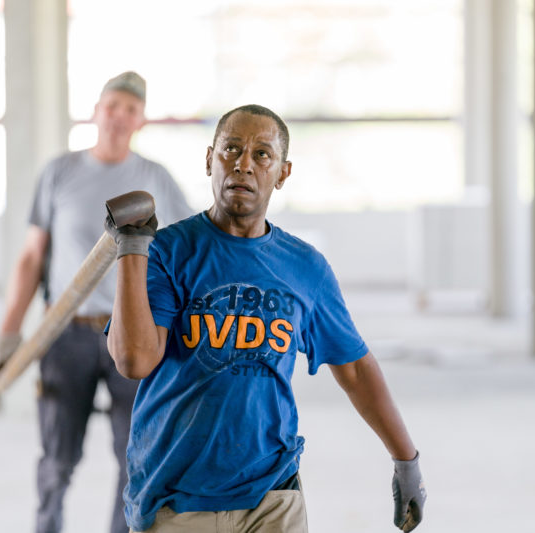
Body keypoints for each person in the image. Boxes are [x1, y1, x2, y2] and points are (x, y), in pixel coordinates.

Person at [105, 104, 427, 532]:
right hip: (177, 497)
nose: (243, 164)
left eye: (262, 154)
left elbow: (354, 367)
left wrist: (407, 461)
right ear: (209, 160)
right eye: (231, 149)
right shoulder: (167, 251)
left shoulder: (305, 267)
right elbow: (134, 361)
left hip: (272, 493)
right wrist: (132, 249)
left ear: (283, 171)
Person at [0, 71, 193, 533]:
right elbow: (31, 258)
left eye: (131, 110)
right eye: (112, 106)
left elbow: (189, 254)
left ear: (141, 121)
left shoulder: (155, 178)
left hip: (133, 336)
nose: (120, 116)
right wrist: (8, 335)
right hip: (67, 334)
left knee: (136, 456)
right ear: (96, 111)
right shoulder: (59, 172)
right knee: (58, 459)